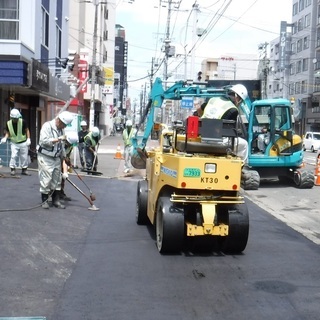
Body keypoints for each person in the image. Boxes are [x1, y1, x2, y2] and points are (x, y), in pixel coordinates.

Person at [36, 111, 74, 209]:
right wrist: (57, 139)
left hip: (56, 157)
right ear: (59, 120)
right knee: (46, 178)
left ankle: (55, 200)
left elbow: (61, 146)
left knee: (57, 179)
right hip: (46, 156)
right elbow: (43, 141)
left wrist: (65, 158)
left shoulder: (61, 130)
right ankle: (44, 200)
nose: (64, 127)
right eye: (64, 125)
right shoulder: (47, 126)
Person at [201, 84, 249, 161]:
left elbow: (202, 109)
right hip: (218, 141)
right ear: (237, 97)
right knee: (244, 144)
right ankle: (240, 167)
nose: (239, 103)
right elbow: (229, 131)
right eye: (240, 100)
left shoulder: (212, 99)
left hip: (203, 137)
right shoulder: (232, 109)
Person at [0, 108, 31, 176]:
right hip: (14, 143)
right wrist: (5, 138)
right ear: (12, 118)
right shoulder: (8, 123)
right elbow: (8, 132)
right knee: (13, 156)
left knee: (24, 157)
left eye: (17, 118)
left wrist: (28, 138)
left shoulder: (23, 121)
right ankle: (12, 169)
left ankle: (24, 169)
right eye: (15, 118)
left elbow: (27, 130)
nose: (16, 119)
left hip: (23, 142)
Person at [60, 131, 79, 201]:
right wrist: (65, 171)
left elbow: (67, 157)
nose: (68, 144)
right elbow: (62, 158)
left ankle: (61, 193)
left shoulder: (70, 146)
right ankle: (52, 195)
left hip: (63, 162)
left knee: (62, 180)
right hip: (56, 162)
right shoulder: (61, 144)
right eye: (68, 143)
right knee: (56, 179)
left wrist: (69, 164)